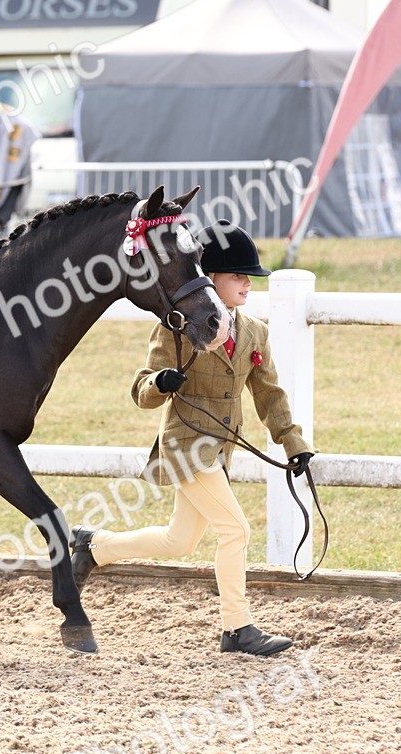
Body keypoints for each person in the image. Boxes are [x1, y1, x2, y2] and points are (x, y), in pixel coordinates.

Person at [70, 220, 314, 656]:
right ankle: (237, 629)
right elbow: (141, 389)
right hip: (185, 445)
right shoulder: (177, 325)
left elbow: (270, 394)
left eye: (248, 277)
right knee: (235, 530)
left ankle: (94, 546)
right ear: (209, 277)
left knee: (177, 541)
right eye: (237, 275)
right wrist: (161, 383)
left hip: (221, 450)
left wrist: (294, 445)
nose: (246, 284)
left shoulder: (254, 331)